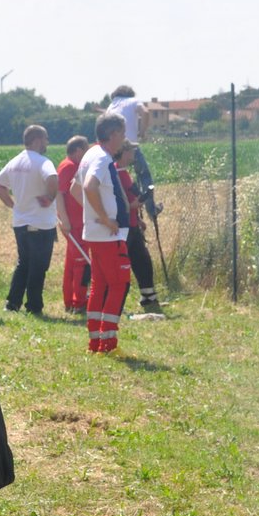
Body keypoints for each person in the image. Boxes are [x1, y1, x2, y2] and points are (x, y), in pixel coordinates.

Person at [74, 113, 132, 354]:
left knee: (99, 286)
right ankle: (107, 344)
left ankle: (95, 341)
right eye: (122, 132)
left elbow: (74, 189)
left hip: (95, 234)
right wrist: (106, 218)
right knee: (118, 284)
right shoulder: (102, 157)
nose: (124, 138)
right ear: (113, 133)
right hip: (109, 236)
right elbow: (87, 186)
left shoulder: (89, 154)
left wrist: (92, 214)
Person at [0, 124, 58, 315]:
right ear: (37, 140)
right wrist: (49, 197)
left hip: (20, 222)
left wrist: (12, 204)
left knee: (24, 263)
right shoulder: (42, 161)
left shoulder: (15, 162)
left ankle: (12, 303)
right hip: (41, 222)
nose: (47, 142)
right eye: (45, 138)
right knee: (39, 266)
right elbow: (52, 178)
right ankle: (34, 306)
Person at [115, 140, 161, 313]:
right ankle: (115, 302)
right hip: (123, 228)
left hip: (133, 225)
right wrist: (139, 202)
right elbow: (123, 202)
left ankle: (148, 297)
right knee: (121, 266)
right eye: (132, 150)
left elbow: (131, 197)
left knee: (143, 262)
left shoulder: (124, 172)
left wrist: (139, 218)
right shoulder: (116, 172)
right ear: (124, 152)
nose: (135, 154)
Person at [105, 84, 160, 219]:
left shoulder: (111, 106)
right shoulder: (133, 101)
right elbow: (145, 112)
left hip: (113, 148)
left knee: (116, 178)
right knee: (144, 175)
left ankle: (118, 208)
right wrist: (142, 132)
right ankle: (151, 210)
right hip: (130, 147)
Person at [54, 135, 91, 312]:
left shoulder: (70, 165)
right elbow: (59, 194)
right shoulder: (68, 167)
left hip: (76, 223)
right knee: (81, 263)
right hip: (74, 224)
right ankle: (79, 302)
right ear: (78, 151)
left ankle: (70, 301)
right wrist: (65, 220)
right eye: (86, 150)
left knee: (72, 263)